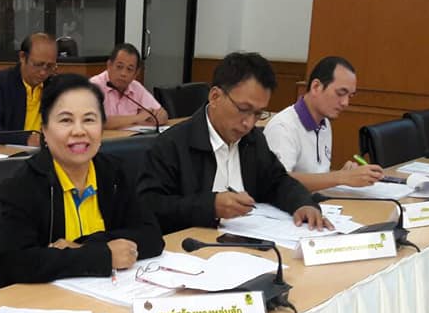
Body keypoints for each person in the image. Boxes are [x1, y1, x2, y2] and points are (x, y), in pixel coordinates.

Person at [0, 74, 164, 289]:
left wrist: (82, 247)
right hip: (39, 300)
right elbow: (14, 262)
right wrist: (101, 256)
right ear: (44, 130)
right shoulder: (23, 185)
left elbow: (152, 236)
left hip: (102, 293)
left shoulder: (115, 172)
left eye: (89, 119)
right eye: (66, 120)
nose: (79, 131)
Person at [138, 52, 330, 234]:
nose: (249, 123)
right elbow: (150, 206)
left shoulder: (253, 140)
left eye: (257, 113)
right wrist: (210, 206)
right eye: (243, 109)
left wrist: (303, 203)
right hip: (190, 247)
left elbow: (277, 181)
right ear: (215, 97)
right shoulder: (172, 145)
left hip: (250, 241)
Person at [263, 56, 383, 191]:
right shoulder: (283, 127)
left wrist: (344, 175)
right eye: (340, 93)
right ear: (316, 87)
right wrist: (340, 177)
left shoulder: (324, 123)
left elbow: (318, 175)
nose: (345, 103)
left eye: (350, 96)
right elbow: (279, 181)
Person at [0, 33, 58, 145]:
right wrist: (26, 139)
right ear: (22, 57)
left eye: (50, 66)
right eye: (38, 64)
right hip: (10, 151)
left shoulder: (55, 85)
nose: (43, 72)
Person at [90, 43, 169, 130]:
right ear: (109, 65)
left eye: (129, 69)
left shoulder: (136, 87)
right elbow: (97, 121)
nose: (123, 73)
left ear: (136, 73)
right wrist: (137, 118)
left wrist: (156, 117)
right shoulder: (93, 86)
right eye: (119, 67)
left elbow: (163, 115)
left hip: (130, 137)